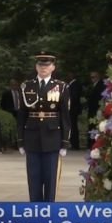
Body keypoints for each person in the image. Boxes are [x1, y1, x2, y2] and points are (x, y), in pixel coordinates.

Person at [17, 51, 71, 202]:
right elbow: (21, 115)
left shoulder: (61, 87)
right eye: (41, 65)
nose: (43, 68)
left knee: (50, 178)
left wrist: (65, 142)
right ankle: (35, 211)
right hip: (32, 136)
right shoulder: (27, 86)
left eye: (47, 65)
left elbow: (65, 117)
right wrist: (20, 140)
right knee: (33, 178)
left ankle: (49, 210)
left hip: (52, 137)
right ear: (36, 67)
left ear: (53, 67)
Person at [86, 71, 105, 149]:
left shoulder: (100, 85)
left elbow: (99, 98)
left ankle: (93, 143)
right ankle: (92, 143)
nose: (92, 79)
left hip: (96, 110)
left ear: (98, 77)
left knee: (94, 127)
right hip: (93, 110)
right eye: (91, 77)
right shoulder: (95, 85)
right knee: (92, 127)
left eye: (94, 77)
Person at [66, 72, 83, 150]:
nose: (68, 76)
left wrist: (68, 103)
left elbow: (74, 97)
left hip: (73, 108)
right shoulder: (71, 84)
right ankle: (73, 143)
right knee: (72, 126)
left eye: (69, 75)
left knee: (73, 126)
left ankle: (75, 144)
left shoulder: (75, 84)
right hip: (72, 108)